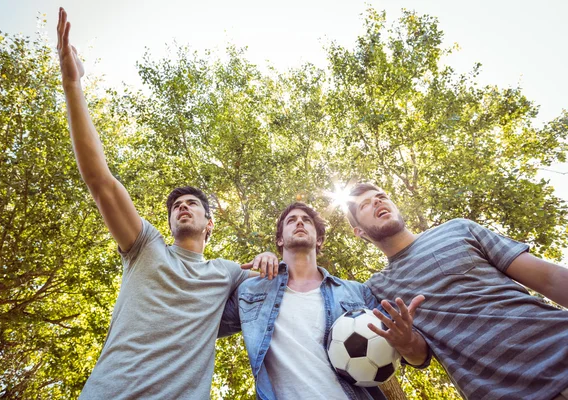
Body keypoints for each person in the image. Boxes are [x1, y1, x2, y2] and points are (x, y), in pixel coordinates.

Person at [56, 8, 278, 399]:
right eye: (177, 206)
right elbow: (101, 182)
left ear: (210, 224)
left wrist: (267, 256)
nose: (183, 208)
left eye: (193, 204)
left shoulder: (226, 272)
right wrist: (72, 84)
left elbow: (273, 291)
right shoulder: (145, 246)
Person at [346, 182, 568, 400]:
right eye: (365, 204)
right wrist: (406, 343)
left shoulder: (458, 228)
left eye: (381, 196)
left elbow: (549, 278)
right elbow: (419, 356)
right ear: (359, 231)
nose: (377, 200)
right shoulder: (376, 289)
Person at [220, 202, 430, 400]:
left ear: (319, 240)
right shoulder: (250, 291)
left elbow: (419, 357)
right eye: (291, 220)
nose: (300, 222)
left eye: (306, 220)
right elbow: (204, 323)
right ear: (280, 240)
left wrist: (408, 341)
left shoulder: (357, 292)